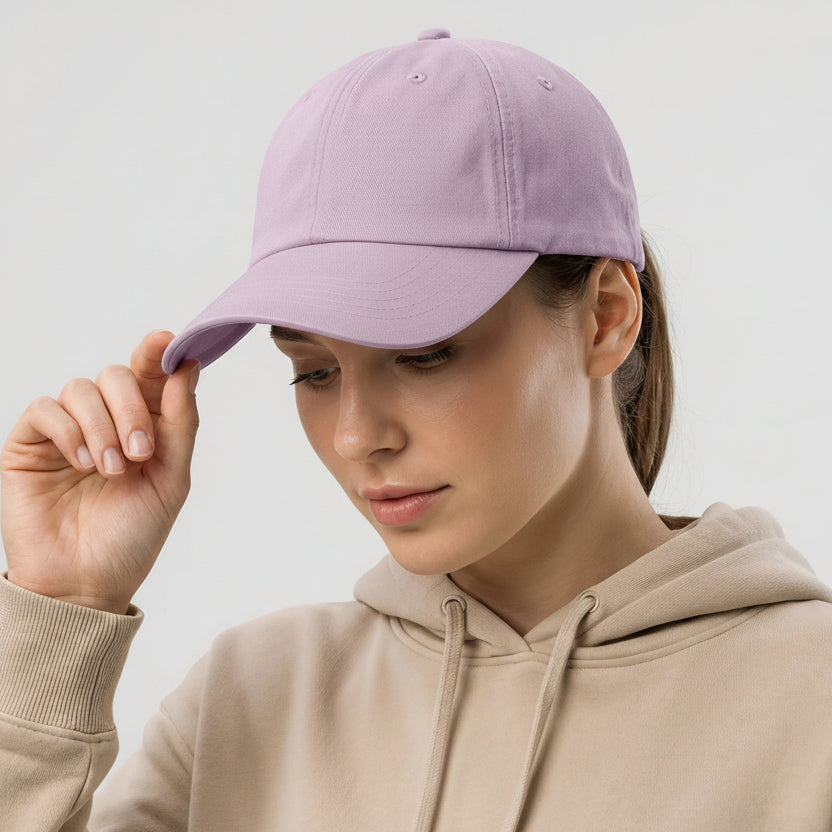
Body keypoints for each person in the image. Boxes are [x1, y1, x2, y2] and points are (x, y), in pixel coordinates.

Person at [1, 27, 831, 832]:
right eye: (313, 370)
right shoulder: (250, 701)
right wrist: (62, 607)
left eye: (424, 354)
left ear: (606, 319)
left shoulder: (809, 705)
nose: (358, 436)